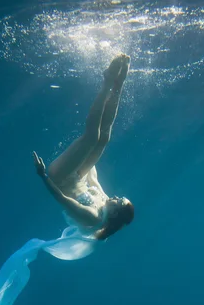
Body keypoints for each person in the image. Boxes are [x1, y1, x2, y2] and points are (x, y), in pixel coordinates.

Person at [33, 53, 135, 241]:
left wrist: (43, 175)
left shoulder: (93, 217)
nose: (115, 197)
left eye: (119, 200)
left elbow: (62, 199)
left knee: (92, 137)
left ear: (115, 214)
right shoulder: (106, 203)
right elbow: (92, 178)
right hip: (78, 174)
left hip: (60, 177)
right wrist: (92, 153)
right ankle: (118, 84)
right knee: (103, 138)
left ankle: (107, 82)